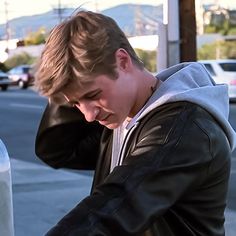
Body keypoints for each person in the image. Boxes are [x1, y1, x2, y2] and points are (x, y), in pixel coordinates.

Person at [35, 10, 236, 236]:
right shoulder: (122, 115)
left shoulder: (181, 130)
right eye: (75, 104)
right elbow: (56, 150)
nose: (89, 115)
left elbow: (117, 205)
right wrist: (65, 76)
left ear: (122, 61)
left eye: (93, 95)